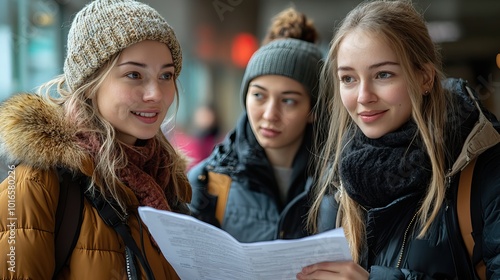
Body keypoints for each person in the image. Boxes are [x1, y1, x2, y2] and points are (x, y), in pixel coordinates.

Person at [298, 1, 500, 279]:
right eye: (348, 78)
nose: (363, 96)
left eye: (383, 75)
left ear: (425, 78)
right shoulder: (337, 179)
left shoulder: (485, 170)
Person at [0, 0, 191, 279]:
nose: (156, 94)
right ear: (90, 84)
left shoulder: (171, 182)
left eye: (166, 75)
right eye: (134, 75)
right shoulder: (38, 184)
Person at [188, 7, 335, 243]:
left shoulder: (339, 184)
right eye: (258, 95)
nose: (270, 114)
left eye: (288, 101)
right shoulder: (207, 181)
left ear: (313, 111)